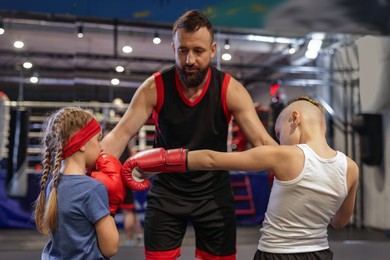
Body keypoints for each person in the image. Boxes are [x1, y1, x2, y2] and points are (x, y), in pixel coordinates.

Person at [101, 9, 277, 260]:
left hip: (214, 194)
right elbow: (120, 136)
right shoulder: (154, 87)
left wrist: (300, 161)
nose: (189, 60)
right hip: (166, 194)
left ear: (213, 50)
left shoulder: (230, 90)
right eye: (182, 50)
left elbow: (262, 142)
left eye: (198, 51)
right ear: (173, 48)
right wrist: (85, 169)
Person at [126, 96, 360, 260]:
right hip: (321, 253)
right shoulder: (350, 167)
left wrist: (162, 161)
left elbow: (212, 160)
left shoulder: (284, 155)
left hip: (276, 254)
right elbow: (339, 222)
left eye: (279, 133)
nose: (280, 142)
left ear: (294, 119)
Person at [33, 107, 126, 259]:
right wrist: (112, 205)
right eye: (98, 139)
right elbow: (110, 248)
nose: (101, 146)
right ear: (82, 144)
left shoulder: (53, 185)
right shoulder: (93, 189)